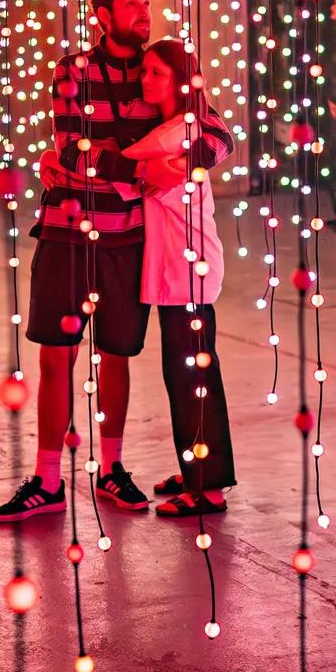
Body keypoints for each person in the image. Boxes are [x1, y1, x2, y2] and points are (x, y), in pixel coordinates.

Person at [0, 0, 158, 522]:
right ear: (103, 16)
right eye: (132, 4)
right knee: (56, 357)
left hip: (128, 242)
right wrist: (134, 160)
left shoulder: (164, 71)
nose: (144, 12)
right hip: (66, 238)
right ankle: (46, 480)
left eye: (147, 3)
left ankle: (111, 470)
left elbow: (191, 144)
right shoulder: (74, 70)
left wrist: (108, 157)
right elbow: (71, 151)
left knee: (117, 355)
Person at [118, 39, 238, 516]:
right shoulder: (177, 129)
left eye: (154, 73)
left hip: (187, 271)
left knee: (192, 381)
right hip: (180, 272)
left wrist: (148, 166)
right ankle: (198, 469)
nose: (144, 80)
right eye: (144, 71)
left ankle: (207, 489)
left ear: (179, 80)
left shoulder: (177, 133)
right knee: (188, 377)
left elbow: (132, 157)